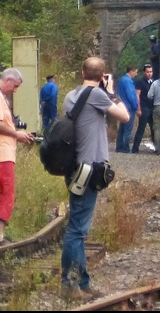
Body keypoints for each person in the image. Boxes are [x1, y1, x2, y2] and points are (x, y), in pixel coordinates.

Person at [61, 57, 129, 299]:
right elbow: (124, 116)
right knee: (77, 229)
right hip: (89, 170)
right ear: (102, 76)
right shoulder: (98, 95)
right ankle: (71, 283)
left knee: (77, 226)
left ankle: (81, 281)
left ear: (81, 72)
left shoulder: (71, 95)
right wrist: (111, 91)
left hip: (73, 167)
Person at [0, 69, 36, 247]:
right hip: (1, 154)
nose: (15, 90)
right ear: (8, 80)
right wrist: (17, 134)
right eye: (15, 86)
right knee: (4, 194)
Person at [114, 65, 139, 153]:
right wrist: (135, 106)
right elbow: (131, 95)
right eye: (136, 72)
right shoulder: (128, 81)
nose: (136, 74)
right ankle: (125, 148)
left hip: (122, 106)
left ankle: (119, 147)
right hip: (129, 107)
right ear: (131, 71)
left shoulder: (122, 80)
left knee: (122, 128)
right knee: (128, 129)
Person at [132, 64, 155, 153]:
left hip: (152, 108)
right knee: (141, 128)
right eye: (148, 72)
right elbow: (137, 95)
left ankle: (156, 147)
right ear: (144, 72)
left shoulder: (153, 82)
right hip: (144, 107)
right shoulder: (140, 82)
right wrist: (138, 108)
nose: (149, 74)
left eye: (151, 72)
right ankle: (135, 148)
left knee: (154, 129)